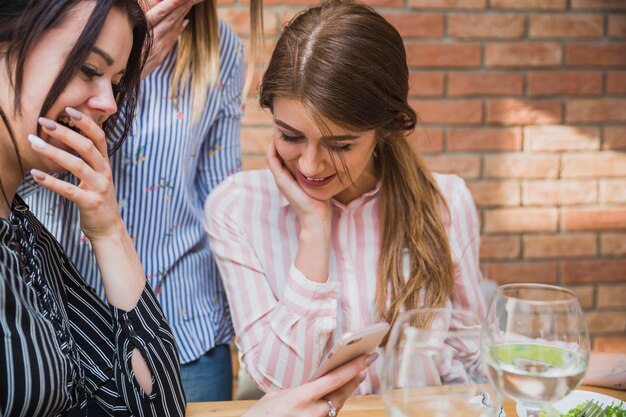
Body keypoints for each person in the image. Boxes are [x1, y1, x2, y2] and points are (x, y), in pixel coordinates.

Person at [205, 0, 487, 395]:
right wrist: (314, 230)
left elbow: (469, 352)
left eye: (340, 145)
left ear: (385, 128)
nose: (310, 165)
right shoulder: (236, 209)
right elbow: (280, 383)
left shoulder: (447, 203)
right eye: (290, 136)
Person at [22, 0, 262, 402]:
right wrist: (128, 71)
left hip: (187, 334)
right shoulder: (68, 26)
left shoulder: (222, 51)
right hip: (67, 325)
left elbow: (220, 201)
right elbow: (21, 177)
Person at [0, 0, 186, 415]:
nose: (110, 104)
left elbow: (156, 407)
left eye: (116, 82)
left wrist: (109, 230)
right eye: (88, 70)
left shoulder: (25, 236)